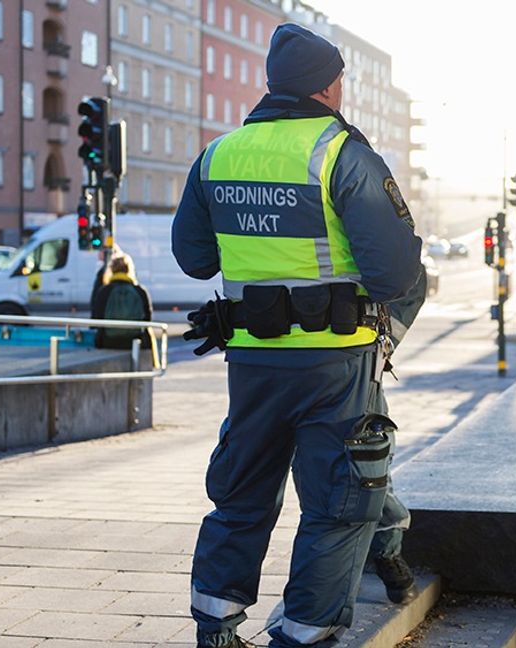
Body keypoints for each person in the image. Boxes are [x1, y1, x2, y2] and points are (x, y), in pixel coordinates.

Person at [171, 23, 424, 648]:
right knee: (340, 503)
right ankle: (305, 634)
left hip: (253, 363)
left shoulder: (218, 153)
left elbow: (193, 258)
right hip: (334, 365)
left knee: (240, 494)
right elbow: (394, 273)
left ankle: (216, 624)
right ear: (330, 85)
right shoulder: (343, 153)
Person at [90, 254, 152, 350]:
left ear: (111, 270)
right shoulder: (140, 291)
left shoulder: (104, 291)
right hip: (135, 342)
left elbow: (96, 318)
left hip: (108, 342)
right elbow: (147, 319)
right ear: (130, 269)